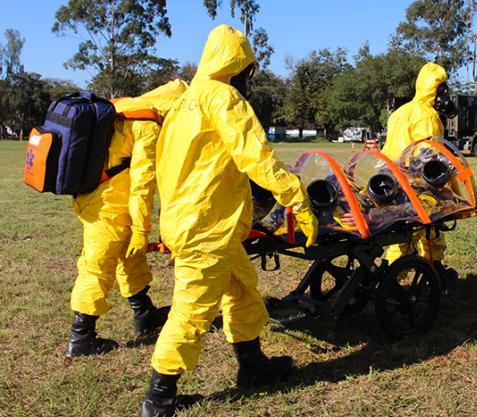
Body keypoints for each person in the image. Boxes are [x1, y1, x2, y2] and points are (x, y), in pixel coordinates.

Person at [140, 25, 318, 417]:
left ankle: (252, 365)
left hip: (199, 222)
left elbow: (169, 165)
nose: (249, 81)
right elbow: (258, 157)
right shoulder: (224, 99)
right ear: (238, 66)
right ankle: (159, 398)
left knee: (243, 291)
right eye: (248, 71)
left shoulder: (186, 102)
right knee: (192, 311)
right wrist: (296, 199)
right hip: (206, 228)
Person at [66, 80, 188, 357]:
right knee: (98, 265)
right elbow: (143, 182)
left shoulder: (124, 107)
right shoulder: (147, 123)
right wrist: (141, 229)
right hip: (108, 204)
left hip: (96, 196)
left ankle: (144, 313)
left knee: (128, 255)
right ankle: (81, 336)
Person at [381, 62, 459, 290]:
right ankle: (390, 278)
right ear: (436, 90)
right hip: (414, 182)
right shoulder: (427, 115)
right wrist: (447, 184)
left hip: (390, 177)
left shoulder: (401, 111)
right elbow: (430, 155)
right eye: (442, 89)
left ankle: (434, 269)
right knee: (414, 233)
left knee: (421, 231)